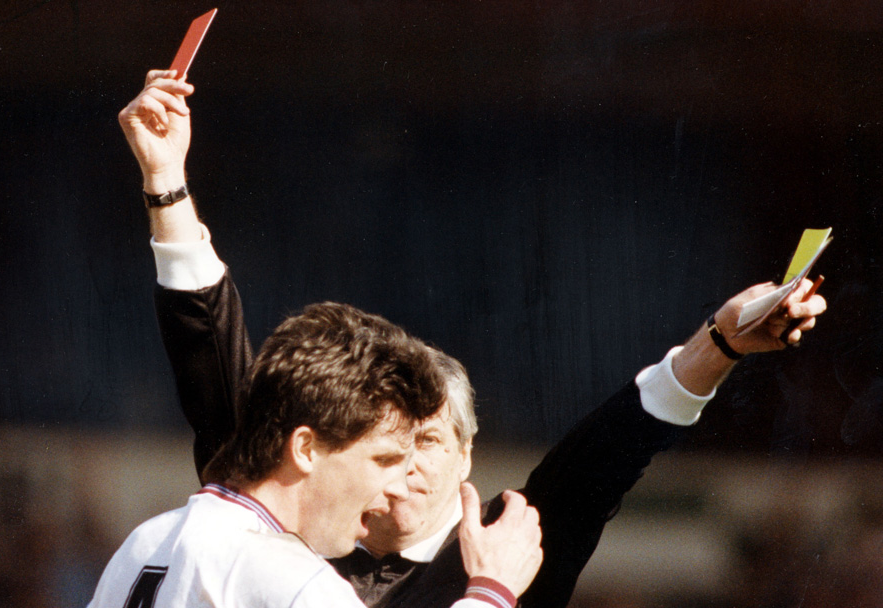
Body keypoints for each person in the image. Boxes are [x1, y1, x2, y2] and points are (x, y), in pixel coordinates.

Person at [118, 70, 828, 608]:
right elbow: (209, 348)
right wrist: (166, 183)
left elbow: (614, 450)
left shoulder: (509, 544)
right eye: (388, 448)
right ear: (321, 447)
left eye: (426, 443)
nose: (405, 471)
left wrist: (720, 346)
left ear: (467, 458)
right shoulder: (287, 510)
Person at [87, 297, 544, 608]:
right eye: (382, 459)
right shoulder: (291, 579)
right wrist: (491, 590)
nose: (396, 483)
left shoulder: (144, 542)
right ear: (305, 448)